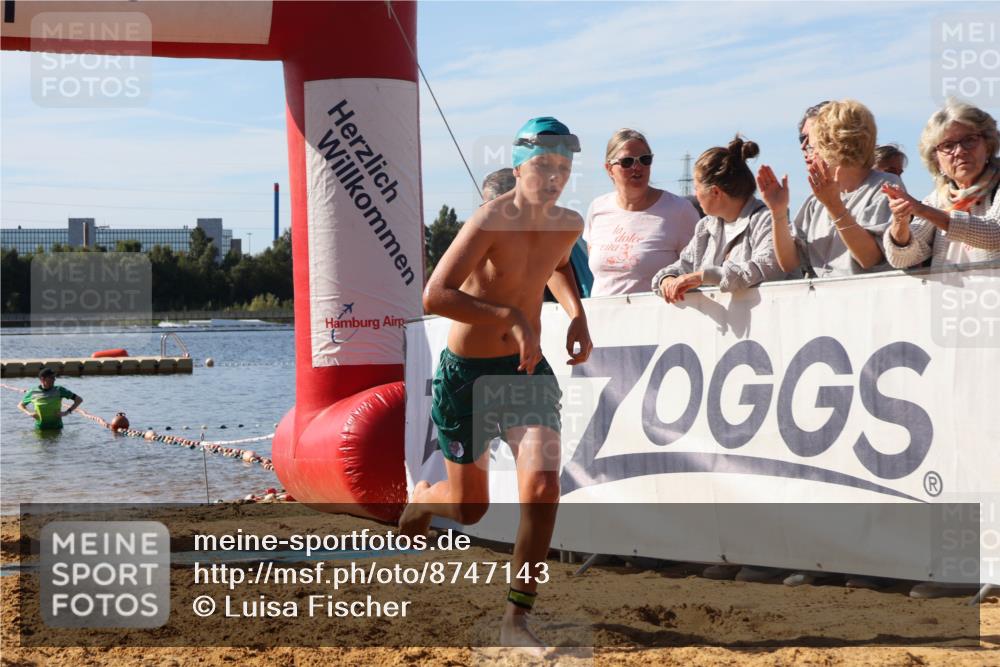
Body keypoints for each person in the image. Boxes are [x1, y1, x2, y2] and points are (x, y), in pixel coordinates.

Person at [400, 117, 593, 653]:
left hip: (524, 373)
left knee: (542, 488)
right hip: (467, 375)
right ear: (518, 167)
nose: (553, 176)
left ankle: (516, 618)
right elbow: (435, 295)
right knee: (469, 510)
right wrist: (509, 314)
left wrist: (576, 313)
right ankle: (425, 497)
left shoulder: (569, 223)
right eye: (542, 165)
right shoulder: (491, 219)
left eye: (562, 167)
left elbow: (554, 267)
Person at [759, 98, 900, 278]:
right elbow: (789, 263)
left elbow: (870, 258)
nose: (807, 152)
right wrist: (778, 213)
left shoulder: (885, 186)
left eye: (812, 146)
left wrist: (834, 205)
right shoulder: (816, 200)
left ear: (837, 145)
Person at [651, 135, 784, 302]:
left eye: (696, 188)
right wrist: (668, 279)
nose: (695, 194)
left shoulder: (766, 221)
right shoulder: (705, 227)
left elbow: (766, 269)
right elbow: (683, 267)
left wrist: (703, 276)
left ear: (715, 192)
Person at [882, 99, 1000, 269]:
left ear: (988, 146)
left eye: (970, 140)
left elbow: (995, 233)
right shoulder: (938, 199)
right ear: (936, 160)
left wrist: (921, 209)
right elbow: (903, 259)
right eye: (948, 145)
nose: (959, 151)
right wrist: (900, 222)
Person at [584, 128, 699, 296]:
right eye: (627, 162)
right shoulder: (597, 209)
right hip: (602, 318)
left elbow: (696, 271)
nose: (637, 167)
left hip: (658, 318)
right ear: (609, 169)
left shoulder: (679, 210)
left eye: (645, 160)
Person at [483, 168, 594, 298]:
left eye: (489, 206)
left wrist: (577, 314)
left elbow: (558, 270)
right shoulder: (485, 241)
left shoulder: (558, 234)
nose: (486, 213)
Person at [18, 367, 82, 430]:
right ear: (42, 379)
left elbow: (79, 400)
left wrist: (67, 412)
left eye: (54, 377)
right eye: (51, 378)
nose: (54, 380)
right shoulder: (33, 392)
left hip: (57, 428)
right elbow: (20, 405)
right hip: (40, 428)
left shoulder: (60, 390)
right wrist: (29, 413)